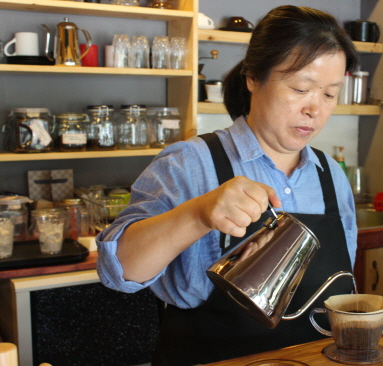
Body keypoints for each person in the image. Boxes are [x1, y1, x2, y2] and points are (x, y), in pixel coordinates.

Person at [96, 5, 359, 365]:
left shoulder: (331, 176)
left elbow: (338, 290)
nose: (315, 109)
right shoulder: (191, 163)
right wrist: (197, 214)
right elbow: (116, 271)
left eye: (330, 94)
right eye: (301, 88)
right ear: (253, 77)